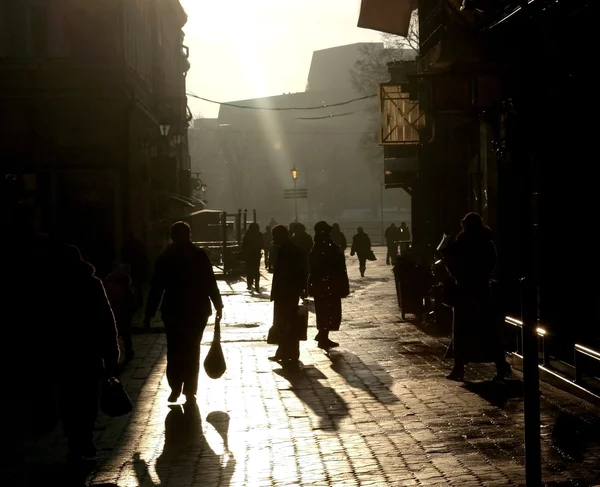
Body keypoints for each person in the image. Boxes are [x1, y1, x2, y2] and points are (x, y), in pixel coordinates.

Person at [144, 221, 223, 403]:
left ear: (172, 236)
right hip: (197, 310)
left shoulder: (165, 256)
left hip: (174, 310)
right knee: (192, 349)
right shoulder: (199, 254)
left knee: (174, 350)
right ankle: (189, 388)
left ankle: (175, 387)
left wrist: (149, 314)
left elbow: (156, 288)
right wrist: (218, 303)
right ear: (189, 235)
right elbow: (209, 281)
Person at [441, 212, 511, 382]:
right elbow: (491, 264)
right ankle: (500, 366)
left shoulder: (461, 243)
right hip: (482, 290)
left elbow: (452, 265)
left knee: (462, 331)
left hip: (465, 290)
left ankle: (459, 368)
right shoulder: (487, 243)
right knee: (489, 330)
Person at [267, 225, 307, 365]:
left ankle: (285, 352)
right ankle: (289, 352)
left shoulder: (286, 251)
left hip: (285, 293)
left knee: (284, 323)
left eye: (274, 235)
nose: (272, 238)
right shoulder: (292, 249)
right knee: (288, 323)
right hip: (289, 292)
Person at [308, 221, 350, 350]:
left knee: (325, 310)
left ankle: (323, 334)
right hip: (328, 284)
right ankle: (323, 336)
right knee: (328, 310)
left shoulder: (320, 245)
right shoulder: (325, 246)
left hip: (324, 284)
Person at [105, 263, 138, 362]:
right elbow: (132, 302)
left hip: (115, 310)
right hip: (124, 311)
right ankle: (128, 351)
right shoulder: (127, 289)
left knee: (117, 332)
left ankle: (118, 353)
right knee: (126, 333)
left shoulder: (110, 283)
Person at [241, 222, 264, 292]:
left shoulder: (247, 234)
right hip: (256, 254)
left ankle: (249, 284)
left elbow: (243, 245)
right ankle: (257, 284)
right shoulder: (259, 234)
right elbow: (262, 244)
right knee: (256, 270)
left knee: (249, 270)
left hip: (248, 254)